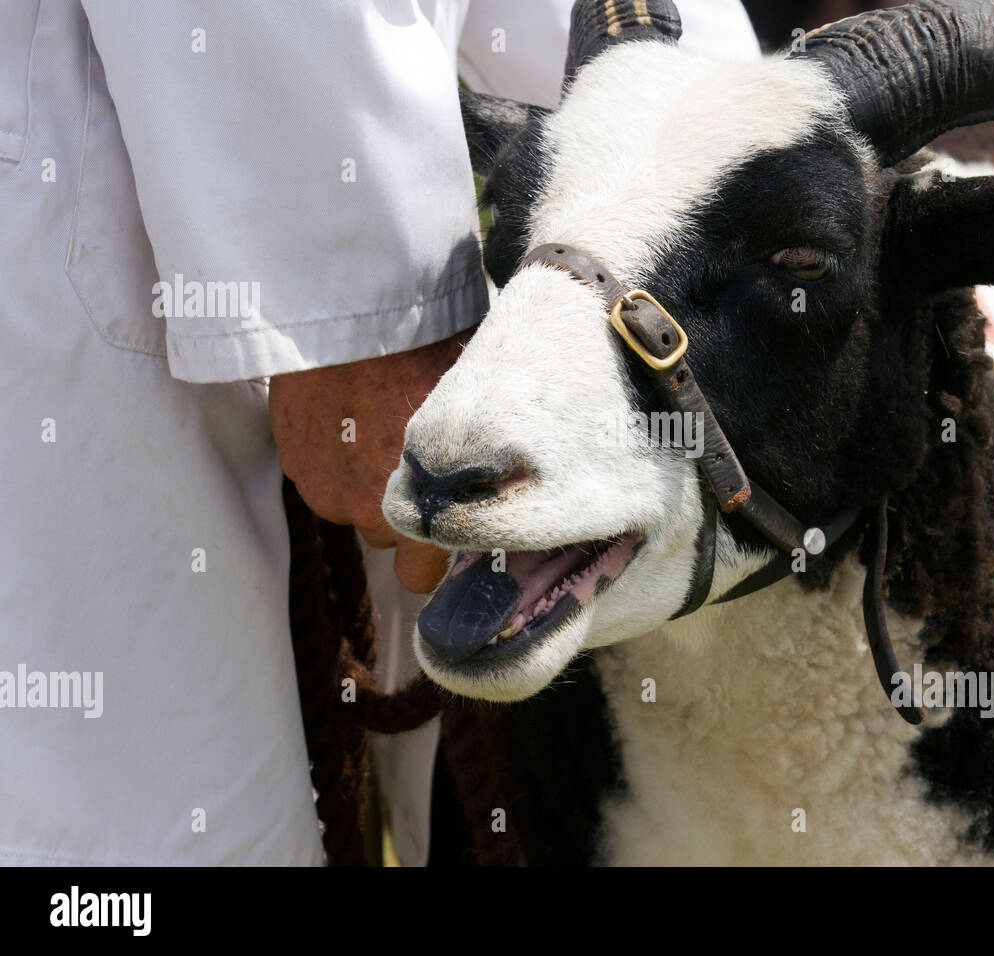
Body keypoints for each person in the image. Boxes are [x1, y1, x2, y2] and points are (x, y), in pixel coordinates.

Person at [0, 0, 758, 867]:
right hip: (96, 205)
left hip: (336, 225)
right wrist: (363, 320)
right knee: (130, 833)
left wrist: (764, 145)